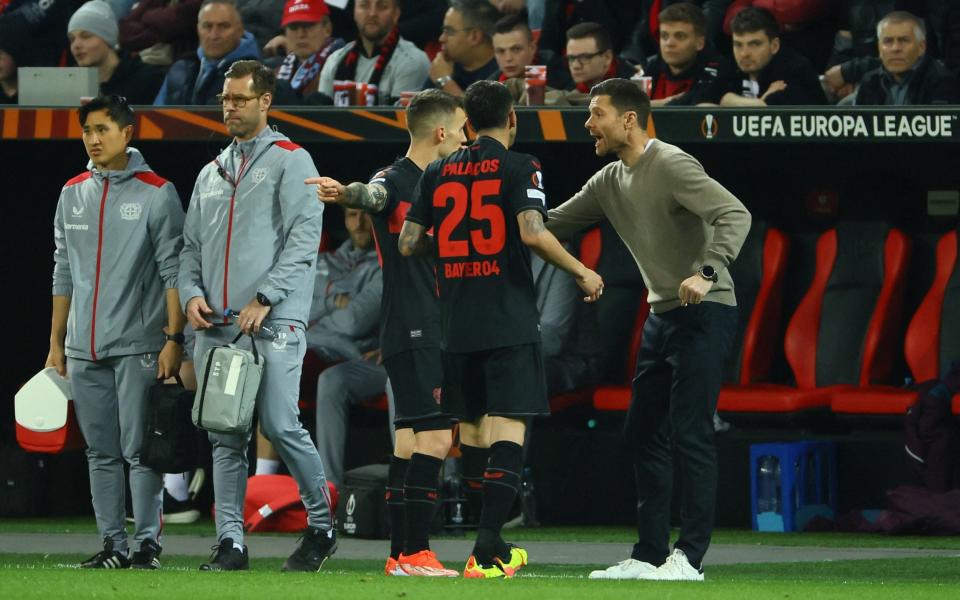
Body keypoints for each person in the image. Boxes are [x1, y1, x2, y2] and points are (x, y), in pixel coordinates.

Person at [546, 78, 750, 581]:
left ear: (630, 119)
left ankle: (691, 559)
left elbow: (734, 213)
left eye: (596, 113)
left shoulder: (673, 163)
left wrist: (706, 272)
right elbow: (550, 223)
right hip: (662, 318)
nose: (588, 123)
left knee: (692, 433)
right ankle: (649, 554)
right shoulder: (608, 179)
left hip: (707, 311)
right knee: (642, 432)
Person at [400, 80, 603, 578]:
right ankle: (487, 548)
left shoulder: (437, 168)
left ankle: (449, 543)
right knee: (509, 425)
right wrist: (581, 271)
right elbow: (532, 232)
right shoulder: (521, 165)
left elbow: (409, 242)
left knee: (468, 431)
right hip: (508, 318)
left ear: (467, 123)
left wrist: (452, 249)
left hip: (455, 324)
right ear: (513, 119)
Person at [178, 60, 335, 572]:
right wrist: (189, 297)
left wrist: (265, 297)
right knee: (224, 434)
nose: (230, 108)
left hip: (273, 321)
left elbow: (305, 239)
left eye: (240, 100)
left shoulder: (292, 159)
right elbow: (189, 248)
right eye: (226, 99)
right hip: (218, 325)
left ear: (266, 101)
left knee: (281, 424)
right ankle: (231, 542)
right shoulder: (211, 171)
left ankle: (322, 526)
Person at [309, 89, 467, 578]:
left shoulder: (441, 180)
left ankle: (400, 555)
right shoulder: (394, 179)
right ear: (440, 132)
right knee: (436, 442)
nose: (466, 139)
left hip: (415, 326)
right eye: (461, 130)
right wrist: (346, 193)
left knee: (406, 447)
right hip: (418, 327)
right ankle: (418, 551)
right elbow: (371, 195)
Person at [49, 94, 186, 570]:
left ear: (127, 133)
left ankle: (147, 544)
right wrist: (55, 344)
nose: (93, 139)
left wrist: (174, 338)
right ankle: (113, 545)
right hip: (83, 348)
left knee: (139, 450)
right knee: (100, 452)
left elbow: (175, 271)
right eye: (87, 130)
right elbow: (62, 271)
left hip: (139, 345)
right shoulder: (72, 192)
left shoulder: (157, 191)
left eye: (102, 129)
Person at [256, 207, 384, 484]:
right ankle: (261, 479)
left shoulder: (384, 266)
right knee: (265, 362)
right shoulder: (323, 261)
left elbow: (354, 323)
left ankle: (328, 486)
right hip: (307, 346)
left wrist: (314, 311)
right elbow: (289, 308)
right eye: (352, 215)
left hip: (347, 354)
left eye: (366, 215)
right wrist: (330, 303)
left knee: (283, 365)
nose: (359, 223)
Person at [315, 0, 429, 106]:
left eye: (382, 6)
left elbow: (398, 124)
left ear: (396, 14)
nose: (372, 13)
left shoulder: (412, 62)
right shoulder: (335, 60)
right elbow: (320, 119)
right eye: (364, 5)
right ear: (354, 11)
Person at [154, 0, 261, 105]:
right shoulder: (180, 69)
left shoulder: (257, 75)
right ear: (198, 29)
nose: (214, 35)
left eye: (224, 26)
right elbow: (155, 116)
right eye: (207, 26)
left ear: (240, 31)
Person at [717, 6, 825, 105]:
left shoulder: (796, 70)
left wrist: (729, 101)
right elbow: (704, 104)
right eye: (738, 45)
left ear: (774, 46)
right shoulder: (729, 65)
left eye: (754, 44)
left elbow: (774, 118)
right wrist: (759, 103)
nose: (744, 54)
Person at [68, 1, 166, 104]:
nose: (76, 45)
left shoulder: (149, 79)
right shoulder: (69, 83)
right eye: (72, 39)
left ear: (107, 38)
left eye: (86, 36)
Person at [854, 10, 959, 105]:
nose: (895, 48)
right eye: (888, 41)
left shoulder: (941, 82)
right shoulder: (870, 81)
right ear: (879, 48)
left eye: (904, 40)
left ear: (921, 47)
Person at [639, 2, 731, 107]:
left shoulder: (717, 69)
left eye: (680, 36)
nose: (669, 43)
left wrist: (648, 105)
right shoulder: (653, 67)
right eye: (664, 36)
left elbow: (696, 102)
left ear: (700, 43)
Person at [272, 0, 345, 105]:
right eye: (293, 27)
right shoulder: (275, 75)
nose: (301, 34)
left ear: (327, 29)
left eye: (308, 25)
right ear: (285, 33)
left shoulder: (344, 67)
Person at [429, 0, 500, 96]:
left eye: (449, 31)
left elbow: (478, 111)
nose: (441, 38)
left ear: (474, 36)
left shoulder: (503, 69)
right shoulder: (445, 64)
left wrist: (444, 82)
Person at [491, 12, 572, 91]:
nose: (508, 58)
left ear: (532, 48)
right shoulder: (491, 84)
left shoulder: (556, 75)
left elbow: (535, 102)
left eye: (516, 49)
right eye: (501, 51)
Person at [118, 0, 202, 67]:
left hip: (171, 65)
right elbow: (123, 30)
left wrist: (146, 16)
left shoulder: (199, 4)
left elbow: (174, 22)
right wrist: (159, 29)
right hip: (140, 60)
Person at [565, 22, 636, 93]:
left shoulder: (634, 88)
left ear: (607, 57)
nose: (575, 66)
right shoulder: (566, 88)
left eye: (584, 57)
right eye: (571, 58)